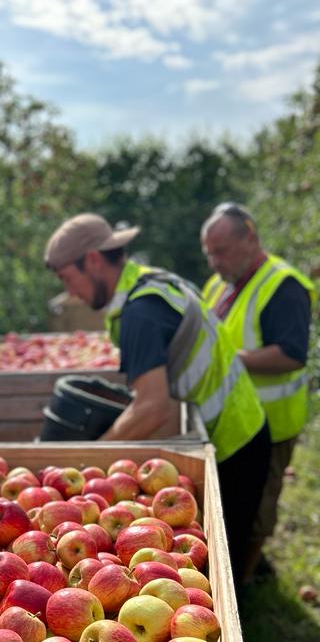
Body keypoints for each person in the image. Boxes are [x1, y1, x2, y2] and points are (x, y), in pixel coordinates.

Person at [44, 212, 271, 589]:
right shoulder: (153, 284)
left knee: (223, 567)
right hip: (240, 424)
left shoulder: (141, 312)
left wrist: (90, 464)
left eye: (69, 278)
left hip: (234, 442)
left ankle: (246, 619)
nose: (71, 293)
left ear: (95, 261)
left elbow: (153, 407)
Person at [200, 202, 315, 583]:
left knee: (258, 509)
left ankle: (243, 585)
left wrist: (228, 360)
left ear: (250, 238)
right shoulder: (220, 284)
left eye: (222, 250)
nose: (214, 261)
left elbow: (291, 355)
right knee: (232, 504)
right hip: (230, 423)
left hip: (270, 424)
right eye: (209, 253)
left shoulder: (283, 286)